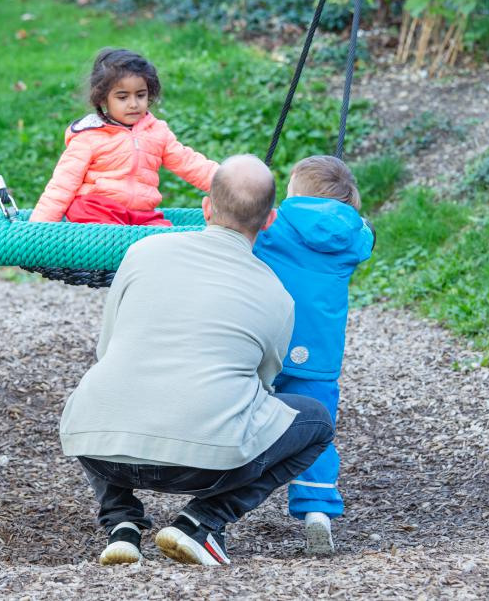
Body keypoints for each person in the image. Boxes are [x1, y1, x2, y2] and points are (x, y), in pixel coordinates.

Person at [59, 154, 334, 567]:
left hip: (102, 452)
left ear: (206, 207)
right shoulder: (277, 296)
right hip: (202, 467)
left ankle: (121, 523)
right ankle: (203, 521)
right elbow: (262, 390)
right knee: (315, 421)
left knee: (104, 385)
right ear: (270, 220)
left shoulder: (142, 251)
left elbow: (108, 349)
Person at [252, 155, 375, 555]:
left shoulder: (274, 223)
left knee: (243, 413)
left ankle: (217, 504)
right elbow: (367, 236)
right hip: (319, 354)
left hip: (266, 341)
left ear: (294, 192)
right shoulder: (353, 237)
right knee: (316, 431)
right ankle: (318, 509)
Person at [29, 48, 218, 226]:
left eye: (141, 95)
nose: (133, 104)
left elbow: (189, 163)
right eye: (122, 97)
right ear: (103, 99)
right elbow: (62, 184)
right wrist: (38, 229)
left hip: (141, 215)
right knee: (102, 228)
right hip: (98, 210)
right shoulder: (89, 136)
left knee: (165, 236)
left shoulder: (156, 132)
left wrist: (231, 182)